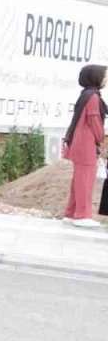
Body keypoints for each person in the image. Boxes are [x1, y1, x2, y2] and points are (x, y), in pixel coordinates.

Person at [63, 64, 106, 228]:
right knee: (85, 180)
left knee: (79, 180)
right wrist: (101, 138)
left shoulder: (86, 95)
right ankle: (82, 215)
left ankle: (71, 213)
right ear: (96, 77)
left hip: (79, 142)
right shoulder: (93, 97)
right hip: (86, 144)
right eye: (104, 76)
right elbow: (94, 120)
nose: (106, 80)